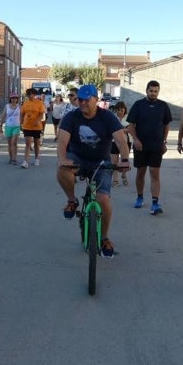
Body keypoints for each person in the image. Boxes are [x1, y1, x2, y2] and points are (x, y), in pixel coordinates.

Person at [56, 84, 131, 258]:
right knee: (62, 169)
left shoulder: (107, 117)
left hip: (101, 162)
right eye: (80, 99)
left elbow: (120, 140)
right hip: (77, 159)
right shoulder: (71, 117)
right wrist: (62, 159)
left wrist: (125, 160)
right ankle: (72, 200)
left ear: (96, 100)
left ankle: (104, 238)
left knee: (103, 199)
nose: (82, 103)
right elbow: (62, 142)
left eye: (86, 100)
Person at [126, 80, 172, 215]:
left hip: (156, 145)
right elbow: (130, 125)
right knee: (141, 172)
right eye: (151, 91)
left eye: (156, 91)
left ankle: (155, 202)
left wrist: (164, 141)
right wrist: (135, 140)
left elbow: (167, 125)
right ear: (146, 90)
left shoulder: (163, 106)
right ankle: (140, 197)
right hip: (141, 146)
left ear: (158, 92)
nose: (153, 93)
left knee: (154, 173)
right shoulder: (138, 105)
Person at [20, 88, 46, 168]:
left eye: (30, 94)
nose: (29, 96)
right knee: (28, 144)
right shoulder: (25, 103)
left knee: (36, 144)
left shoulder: (39, 103)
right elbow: (22, 113)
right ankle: (25, 161)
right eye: (28, 94)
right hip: (27, 125)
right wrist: (21, 123)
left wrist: (37, 120)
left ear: (34, 95)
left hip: (37, 126)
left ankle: (37, 158)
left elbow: (42, 114)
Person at [110, 101, 130, 187]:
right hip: (114, 142)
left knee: (124, 160)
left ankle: (124, 175)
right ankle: (115, 179)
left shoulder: (128, 118)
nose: (120, 112)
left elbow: (131, 129)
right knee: (114, 161)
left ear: (124, 110)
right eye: (118, 110)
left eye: (121, 110)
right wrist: (123, 130)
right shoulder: (112, 118)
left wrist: (122, 130)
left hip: (126, 142)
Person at [0, 92, 22, 164]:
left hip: (16, 126)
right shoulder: (7, 106)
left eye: (15, 98)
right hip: (8, 126)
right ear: (10, 99)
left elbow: (22, 116)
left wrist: (22, 124)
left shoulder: (19, 106)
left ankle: (14, 158)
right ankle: (10, 157)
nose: (14, 99)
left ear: (17, 99)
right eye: (12, 98)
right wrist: (0, 126)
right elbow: (3, 116)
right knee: (9, 143)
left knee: (14, 142)